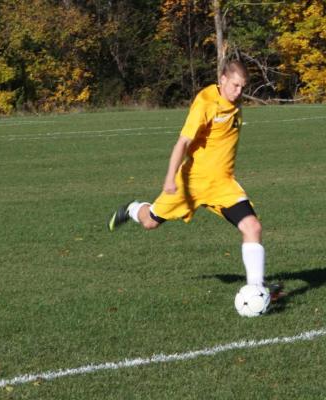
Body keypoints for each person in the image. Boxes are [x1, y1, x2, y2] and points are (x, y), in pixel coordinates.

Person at [107, 60, 283, 301]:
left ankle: (257, 289)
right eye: (234, 86)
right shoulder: (205, 104)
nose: (239, 92)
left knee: (253, 227)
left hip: (222, 185)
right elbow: (182, 143)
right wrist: (169, 179)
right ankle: (133, 208)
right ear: (222, 79)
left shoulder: (235, 100)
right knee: (151, 222)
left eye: (242, 87)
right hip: (190, 184)